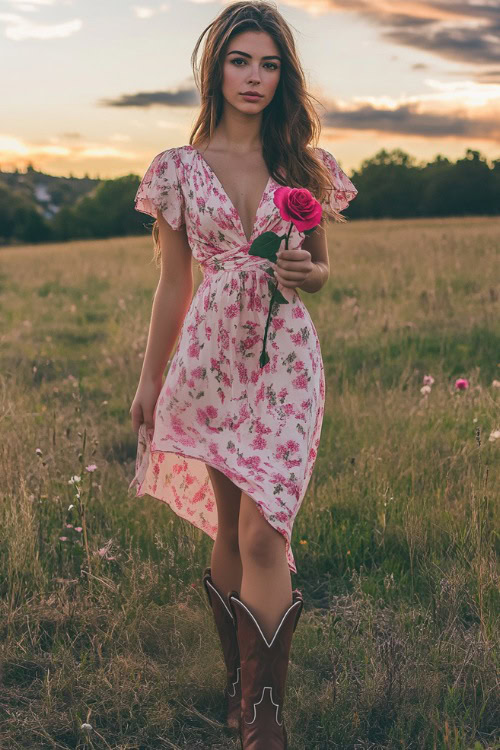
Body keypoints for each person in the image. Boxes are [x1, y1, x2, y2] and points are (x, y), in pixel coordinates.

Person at [128, 2, 357, 747]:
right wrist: (149, 380)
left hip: (286, 363)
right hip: (210, 363)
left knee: (266, 532)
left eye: (269, 64)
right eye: (240, 60)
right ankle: (241, 682)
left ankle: (264, 715)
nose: (254, 77)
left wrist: (303, 268)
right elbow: (173, 283)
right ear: (216, 69)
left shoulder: (303, 166)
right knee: (230, 527)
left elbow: (319, 272)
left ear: (282, 75)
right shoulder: (178, 170)